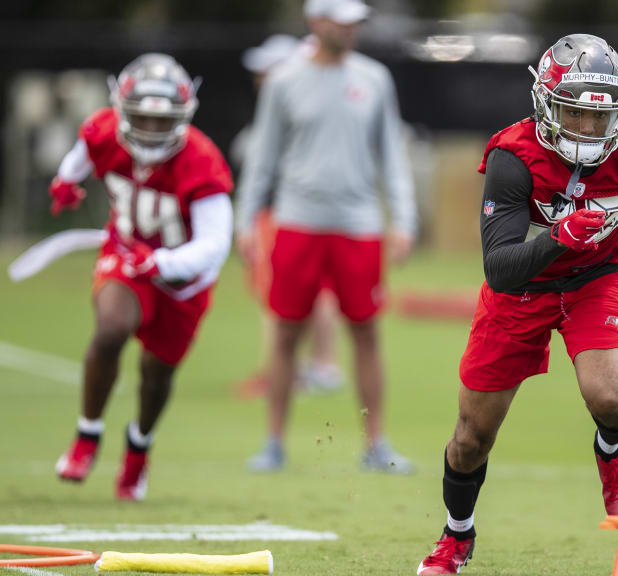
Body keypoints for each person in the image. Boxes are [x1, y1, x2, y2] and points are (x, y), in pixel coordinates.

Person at [416, 33, 618, 575]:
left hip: (596, 277)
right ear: (545, 104)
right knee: (471, 439)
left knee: (610, 396)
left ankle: (612, 449)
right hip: (521, 289)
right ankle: (457, 535)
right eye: (575, 114)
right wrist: (558, 237)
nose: (589, 130)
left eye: (601, 116)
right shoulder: (513, 158)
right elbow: (498, 266)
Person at [235, 0, 417, 473]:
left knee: (367, 331)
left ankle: (376, 444)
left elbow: (392, 155)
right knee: (285, 332)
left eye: (356, 20)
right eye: (341, 20)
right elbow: (263, 158)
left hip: (359, 225)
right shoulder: (283, 82)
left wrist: (403, 219)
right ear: (316, 22)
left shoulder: (374, 78)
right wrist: (246, 222)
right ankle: (273, 443)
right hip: (297, 222)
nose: (351, 28)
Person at [51, 53, 234, 500]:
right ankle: (87, 434)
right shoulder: (102, 130)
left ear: (182, 117)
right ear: (122, 111)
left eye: (162, 120)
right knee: (110, 328)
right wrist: (65, 181)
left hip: (182, 279)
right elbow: (80, 155)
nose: (151, 129)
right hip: (126, 252)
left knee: (156, 373)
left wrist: (163, 265)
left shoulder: (203, 160)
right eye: (141, 118)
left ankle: (138, 449)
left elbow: (215, 244)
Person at [233, 34, 344, 399]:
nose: (259, 79)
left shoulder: (289, 105)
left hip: (284, 213)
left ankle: (283, 371)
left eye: (266, 70)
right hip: (305, 212)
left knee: (275, 292)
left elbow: (263, 162)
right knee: (317, 291)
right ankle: (319, 367)